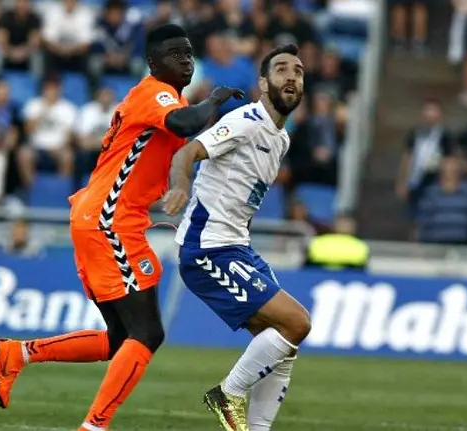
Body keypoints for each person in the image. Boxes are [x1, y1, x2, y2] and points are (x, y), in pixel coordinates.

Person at [0, 24, 244, 431]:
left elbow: (169, 150)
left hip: (106, 218)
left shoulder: (167, 99)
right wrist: (213, 99)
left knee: (122, 337)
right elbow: (183, 124)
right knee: (147, 333)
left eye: (189, 53)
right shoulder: (155, 93)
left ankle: (18, 354)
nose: (185, 60)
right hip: (110, 220)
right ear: (153, 62)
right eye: (175, 54)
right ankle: (94, 426)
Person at [163, 43, 311, 431]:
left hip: (236, 247)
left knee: (283, 343)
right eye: (281, 69)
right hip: (207, 249)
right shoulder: (245, 120)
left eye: (298, 71)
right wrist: (180, 187)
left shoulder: (281, 138)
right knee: (297, 322)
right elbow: (186, 153)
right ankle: (228, 394)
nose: (291, 76)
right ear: (262, 83)